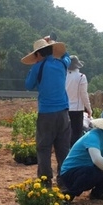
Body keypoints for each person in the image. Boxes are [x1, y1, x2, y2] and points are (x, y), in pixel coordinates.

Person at [22, 36, 71, 187]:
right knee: (63, 148)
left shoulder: (38, 67)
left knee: (43, 148)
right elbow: (67, 56)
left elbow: (28, 85)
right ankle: (63, 181)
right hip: (63, 113)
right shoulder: (62, 64)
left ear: (38, 54)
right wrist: (52, 43)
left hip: (46, 114)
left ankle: (45, 182)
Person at [60, 108, 103, 201]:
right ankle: (70, 193)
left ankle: (101, 191)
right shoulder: (94, 136)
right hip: (71, 173)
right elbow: (97, 160)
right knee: (95, 172)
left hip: (86, 169)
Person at [65, 55, 92, 147]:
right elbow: (84, 95)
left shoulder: (63, 75)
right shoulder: (81, 77)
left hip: (64, 108)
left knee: (66, 134)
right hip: (76, 109)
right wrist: (88, 108)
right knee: (76, 134)